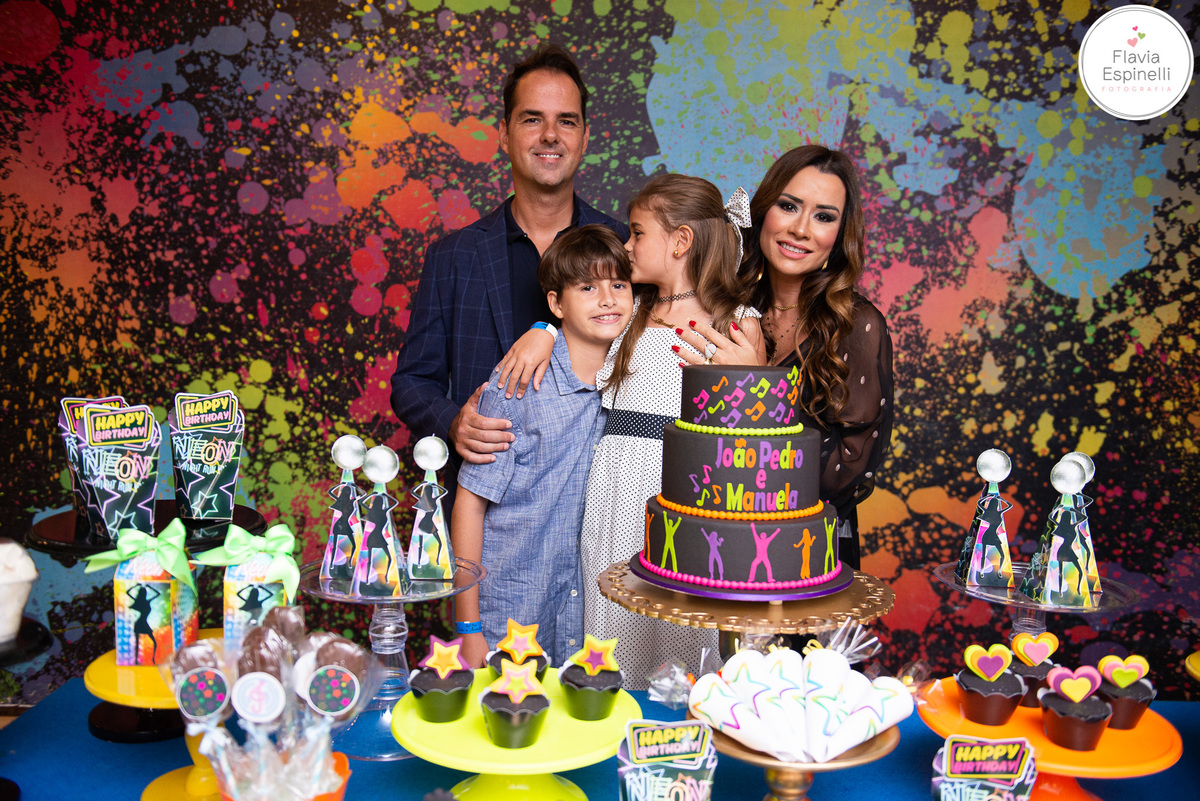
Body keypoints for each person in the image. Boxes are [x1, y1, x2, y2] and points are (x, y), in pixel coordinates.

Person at [389, 43, 628, 495]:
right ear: (503, 133)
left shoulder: (624, 248)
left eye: (566, 121)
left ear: (585, 137)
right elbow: (412, 381)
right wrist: (454, 422)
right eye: (532, 119)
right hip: (482, 503)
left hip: (598, 499)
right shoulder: (453, 256)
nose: (550, 135)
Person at [582, 174, 764, 687]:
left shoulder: (736, 322)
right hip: (617, 489)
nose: (626, 245)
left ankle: (684, 721)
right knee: (614, 616)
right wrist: (541, 331)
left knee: (683, 622)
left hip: (690, 489)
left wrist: (748, 380)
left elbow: (758, 432)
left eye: (638, 233)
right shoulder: (628, 312)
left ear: (681, 241)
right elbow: (570, 334)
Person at [678, 145, 894, 568]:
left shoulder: (857, 326)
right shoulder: (722, 305)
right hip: (709, 539)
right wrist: (548, 329)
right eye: (789, 206)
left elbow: (847, 474)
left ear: (839, 236)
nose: (800, 229)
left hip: (802, 552)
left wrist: (757, 389)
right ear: (763, 213)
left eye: (824, 216)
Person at [450, 226, 634, 668]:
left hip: (591, 617)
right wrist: (468, 627)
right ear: (556, 303)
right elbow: (470, 506)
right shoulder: (517, 385)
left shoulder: (636, 381)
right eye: (587, 287)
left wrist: (544, 330)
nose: (607, 299)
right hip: (510, 607)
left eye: (619, 285)